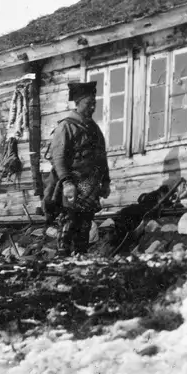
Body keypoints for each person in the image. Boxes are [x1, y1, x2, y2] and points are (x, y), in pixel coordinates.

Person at [47, 81, 111, 255]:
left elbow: (102, 157)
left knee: (85, 224)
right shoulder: (66, 126)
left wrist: (105, 182)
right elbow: (58, 158)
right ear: (78, 103)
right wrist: (67, 183)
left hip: (90, 184)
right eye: (88, 104)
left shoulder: (95, 129)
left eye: (94, 104)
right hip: (72, 184)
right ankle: (62, 260)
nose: (92, 108)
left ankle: (80, 260)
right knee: (68, 223)